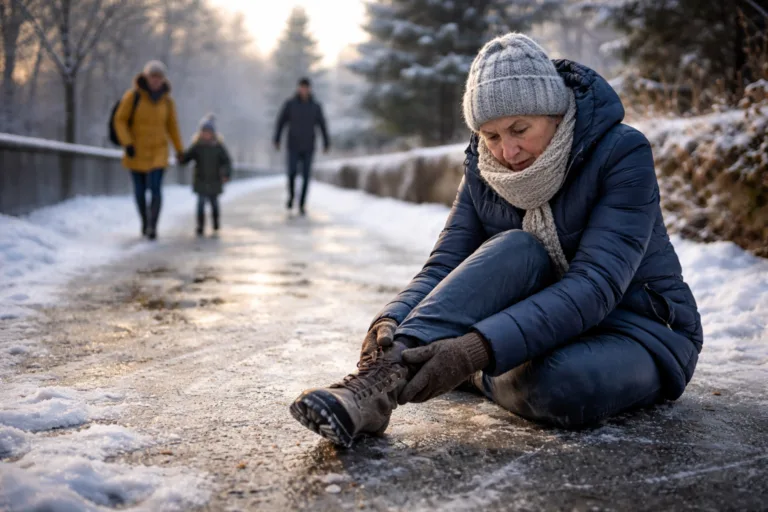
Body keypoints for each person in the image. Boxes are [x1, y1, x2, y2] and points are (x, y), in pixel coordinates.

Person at [290, 34, 703, 447]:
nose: (507, 151)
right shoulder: (483, 170)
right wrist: (390, 321)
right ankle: (375, 385)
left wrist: (470, 352)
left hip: (639, 328)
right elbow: (445, 264)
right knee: (517, 247)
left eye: (519, 129)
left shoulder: (621, 153)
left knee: (563, 386)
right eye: (490, 136)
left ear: (555, 112)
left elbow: (596, 285)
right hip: (537, 321)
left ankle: (467, 367)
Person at [114, 60, 184, 240]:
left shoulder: (168, 102)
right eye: (153, 76)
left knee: (155, 189)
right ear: (146, 77)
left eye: (159, 77)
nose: (156, 80)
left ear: (163, 79)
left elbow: (172, 127)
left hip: (158, 152)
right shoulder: (133, 96)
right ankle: (144, 222)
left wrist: (179, 150)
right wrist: (127, 143)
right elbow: (120, 120)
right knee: (139, 192)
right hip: (136, 151)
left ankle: (153, 226)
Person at [273, 77, 330, 216]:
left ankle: (302, 203)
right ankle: (291, 197)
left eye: (306, 87)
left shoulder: (315, 106)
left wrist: (326, 142)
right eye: (302, 87)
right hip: (293, 145)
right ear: (298, 88)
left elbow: (322, 125)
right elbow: (281, 122)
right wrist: (277, 138)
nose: (304, 90)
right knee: (291, 173)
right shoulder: (290, 104)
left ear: (309, 89)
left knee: (305, 176)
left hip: (309, 146)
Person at [178, 114, 232, 236]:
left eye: (208, 132)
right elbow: (187, 157)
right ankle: (200, 226)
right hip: (201, 180)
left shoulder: (218, 147)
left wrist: (226, 174)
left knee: (214, 204)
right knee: (201, 204)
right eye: (204, 132)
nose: (206, 134)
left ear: (213, 133)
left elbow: (227, 162)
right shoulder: (197, 146)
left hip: (214, 180)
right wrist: (181, 158)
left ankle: (215, 223)